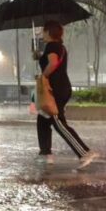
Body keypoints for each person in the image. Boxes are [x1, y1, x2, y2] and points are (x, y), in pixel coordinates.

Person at [36, 20, 97, 169]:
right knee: (43, 120)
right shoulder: (59, 47)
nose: (41, 34)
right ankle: (45, 154)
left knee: (58, 123)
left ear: (49, 33)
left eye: (43, 31)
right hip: (60, 87)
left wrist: (43, 76)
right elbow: (51, 61)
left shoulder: (51, 46)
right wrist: (39, 57)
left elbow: (53, 63)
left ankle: (84, 152)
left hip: (56, 89)